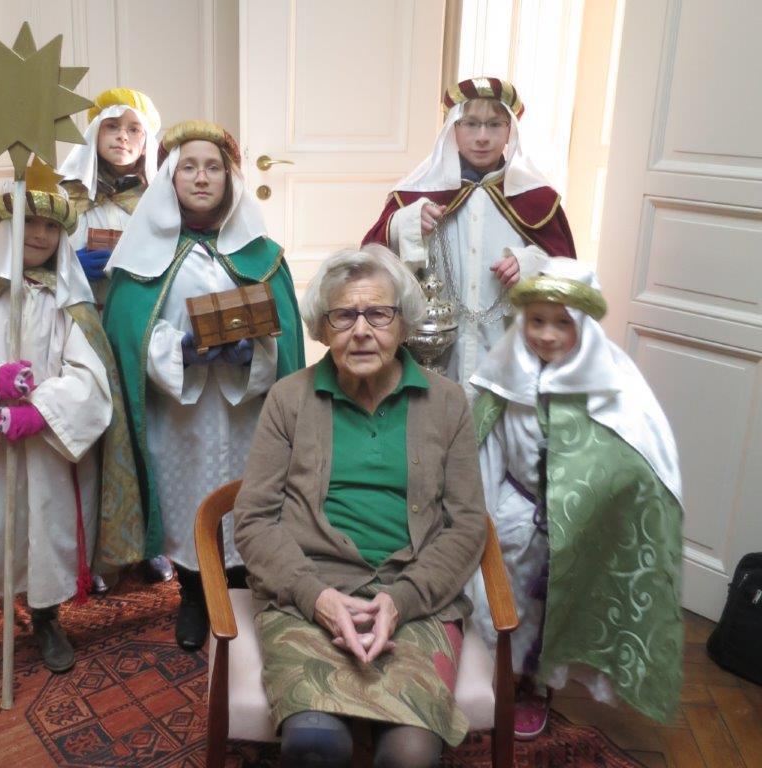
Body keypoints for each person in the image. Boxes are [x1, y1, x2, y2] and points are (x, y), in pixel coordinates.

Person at [233, 245, 487, 768]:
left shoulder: (447, 403)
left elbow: (465, 526)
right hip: (308, 597)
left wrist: (401, 600)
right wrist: (317, 597)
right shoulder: (288, 399)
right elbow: (254, 520)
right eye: (344, 315)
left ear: (404, 322)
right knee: (315, 744)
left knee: (410, 755)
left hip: (417, 601)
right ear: (323, 328)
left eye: (379, 313)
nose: (362, 330)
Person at [0, 162, 144, 702]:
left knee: (48, 534)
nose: (39, 235)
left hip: (49, 452)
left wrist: (40, 411)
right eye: (28, 223)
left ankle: (46, 620)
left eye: (51, 227)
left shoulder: (69, 305)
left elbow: (91, 378)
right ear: (3, 229)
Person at [102, 120, 305, 651]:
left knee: (247, 496)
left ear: (229, 179)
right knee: (187, 499)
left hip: (246, 414)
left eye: (213, 167)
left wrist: (254, 353)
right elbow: (128, 335)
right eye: (188, 167)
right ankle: (192, 594)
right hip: (179, 416)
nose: (200, 177)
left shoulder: (263, 255)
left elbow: (286, 338)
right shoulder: (141, 258)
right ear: (170, 178)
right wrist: (181, 352)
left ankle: (243, 587)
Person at [468, 258, 684, 738]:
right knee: (501, 607)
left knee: (555, 615)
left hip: (578, 530)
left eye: (562, 323)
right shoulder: (505, 379)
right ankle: (496, 679)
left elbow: (639, 462)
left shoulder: (613, 388)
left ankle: (538, 687)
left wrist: (605, 506)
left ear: (582, 326)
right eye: (536, 321)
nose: (546, 335)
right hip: (515, 519)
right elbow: (487, 452)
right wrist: (478, 520)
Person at [362, 77, 576, 395]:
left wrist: (531, 264)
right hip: (432, 353)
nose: (482, 137)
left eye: (495, 125)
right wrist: (403, 226)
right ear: (453, 129)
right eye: (471, 124)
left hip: (506, 348)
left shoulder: (537, 198)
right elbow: (370, 262)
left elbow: (569, 274)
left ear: (510, 131)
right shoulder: (415, 194)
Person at [58, 87, 173, 585]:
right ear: (93, 132)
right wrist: (70, 267)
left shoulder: (160, 198)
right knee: (91, 437)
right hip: (80, 329)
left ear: (148, 141)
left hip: (138, 327)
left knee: (148, 432)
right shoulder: (66, 195)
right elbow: (34, 257)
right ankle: (96, 556)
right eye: (112, 126)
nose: (123, 137)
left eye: (134, 129)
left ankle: (152, 540)